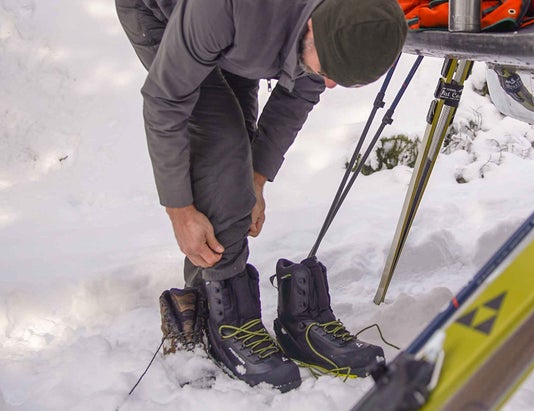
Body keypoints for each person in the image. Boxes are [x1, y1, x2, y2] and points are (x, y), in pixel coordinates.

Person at [115, 0, 407, 392]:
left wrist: (254, 179)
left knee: (239, 141)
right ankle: (227, 318)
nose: (332, 83)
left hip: (252, 29)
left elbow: (299, 94)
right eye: (332, 71)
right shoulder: (227, 10)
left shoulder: (337, 20)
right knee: (222, 139)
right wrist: (179, 210)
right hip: (163, 11)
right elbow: (167, 99)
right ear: (313, 29)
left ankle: (203, 303)